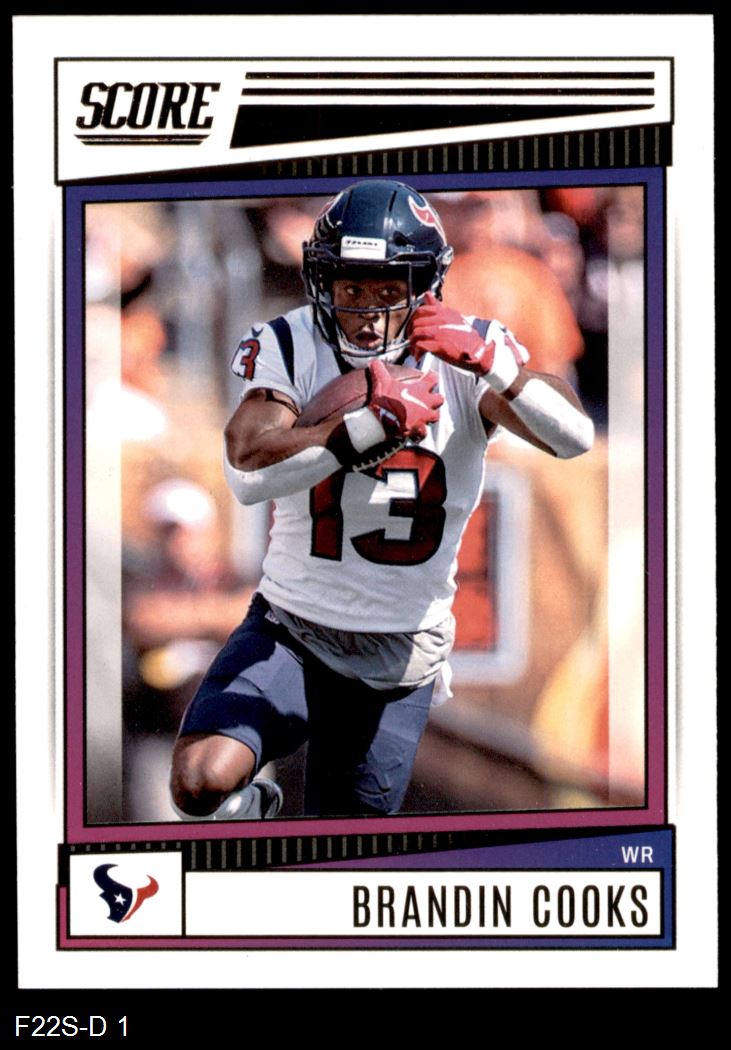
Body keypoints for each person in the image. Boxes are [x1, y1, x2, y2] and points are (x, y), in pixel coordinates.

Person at [170, 179, 594, 821]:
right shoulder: (292, 342)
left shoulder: (465, 353)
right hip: (293, 625)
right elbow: (247, 469)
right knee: (200, 781)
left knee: (345, 842)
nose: (367, 311)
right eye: (351, 289)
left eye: (387, 290)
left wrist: (496, 366)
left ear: (423, 287)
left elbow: (574, 438)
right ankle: (257, 815)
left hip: (399, 650)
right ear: (323, 283)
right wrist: (364, 429)